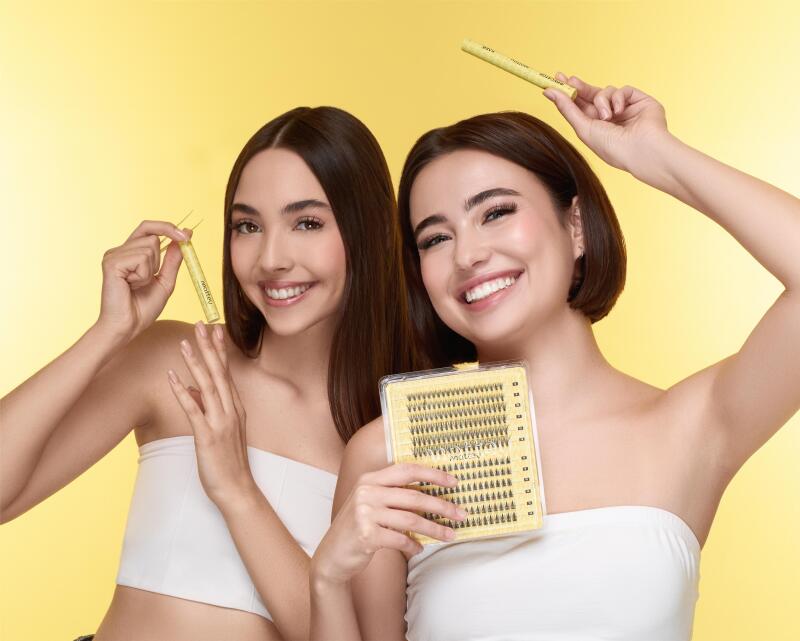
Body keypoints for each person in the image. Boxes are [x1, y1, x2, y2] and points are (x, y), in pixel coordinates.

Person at [308, 75, 800, 640]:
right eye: (435, 239)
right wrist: (325, 579)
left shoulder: (691, 426)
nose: (468, 253)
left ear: (577, 226)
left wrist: (657, 155)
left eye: (495, 212)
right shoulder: (389, 453)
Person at [0, 106, 417, 641]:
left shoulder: (388, 439)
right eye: (247, 225)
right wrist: (108, 333)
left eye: (307, 222)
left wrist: (238, 488)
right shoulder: (181, 360)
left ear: (368, 232)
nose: (270, 258)